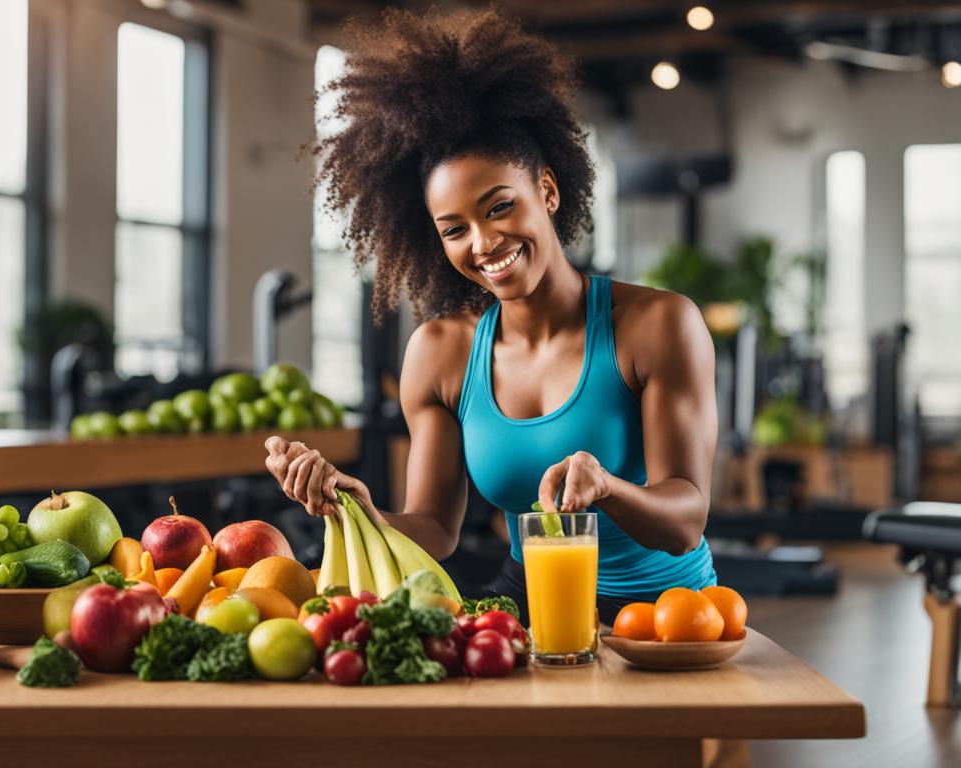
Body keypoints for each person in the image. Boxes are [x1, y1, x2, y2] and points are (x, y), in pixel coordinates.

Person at [264, 8, 717, 624]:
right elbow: (434, 531)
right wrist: (361, 509)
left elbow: (686, 522)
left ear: (548, 192)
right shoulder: (441, 352)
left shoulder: (657, 324)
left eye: (500, 206)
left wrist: (607, 489)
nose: (483, 243)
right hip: (532, 598)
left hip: (665, 611)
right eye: (455, 229)